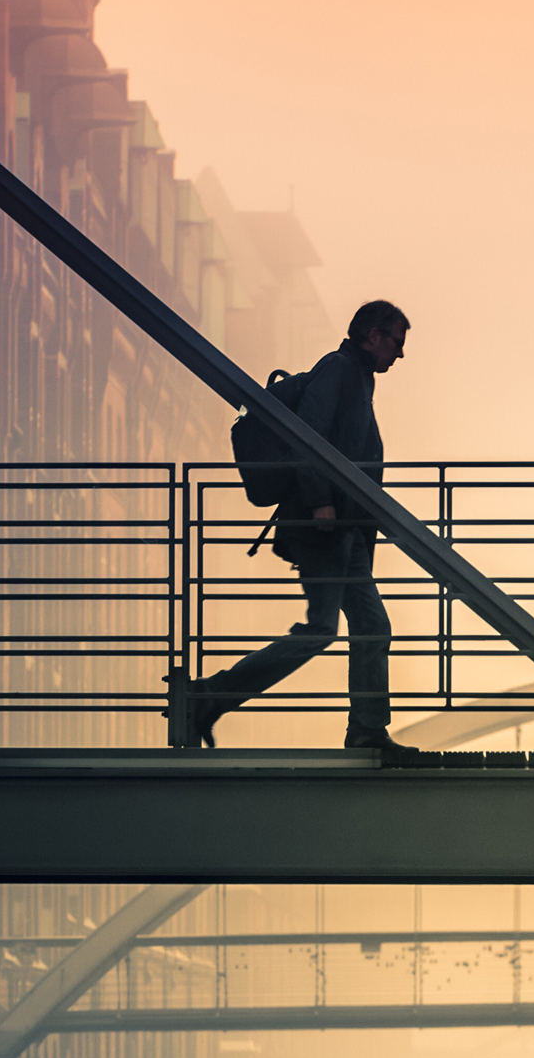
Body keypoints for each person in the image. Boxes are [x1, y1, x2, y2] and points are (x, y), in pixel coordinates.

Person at [176, 301, 414, 752]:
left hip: (343, 528)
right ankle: (207, 696)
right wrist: (321, 502)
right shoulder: (339, 368)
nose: (399, 354)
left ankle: (366, 728)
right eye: (396, 342)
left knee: (372, 625)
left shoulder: (357, 378)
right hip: (322, 524)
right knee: (323, 629)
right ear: (372, 334)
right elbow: (308, 435)